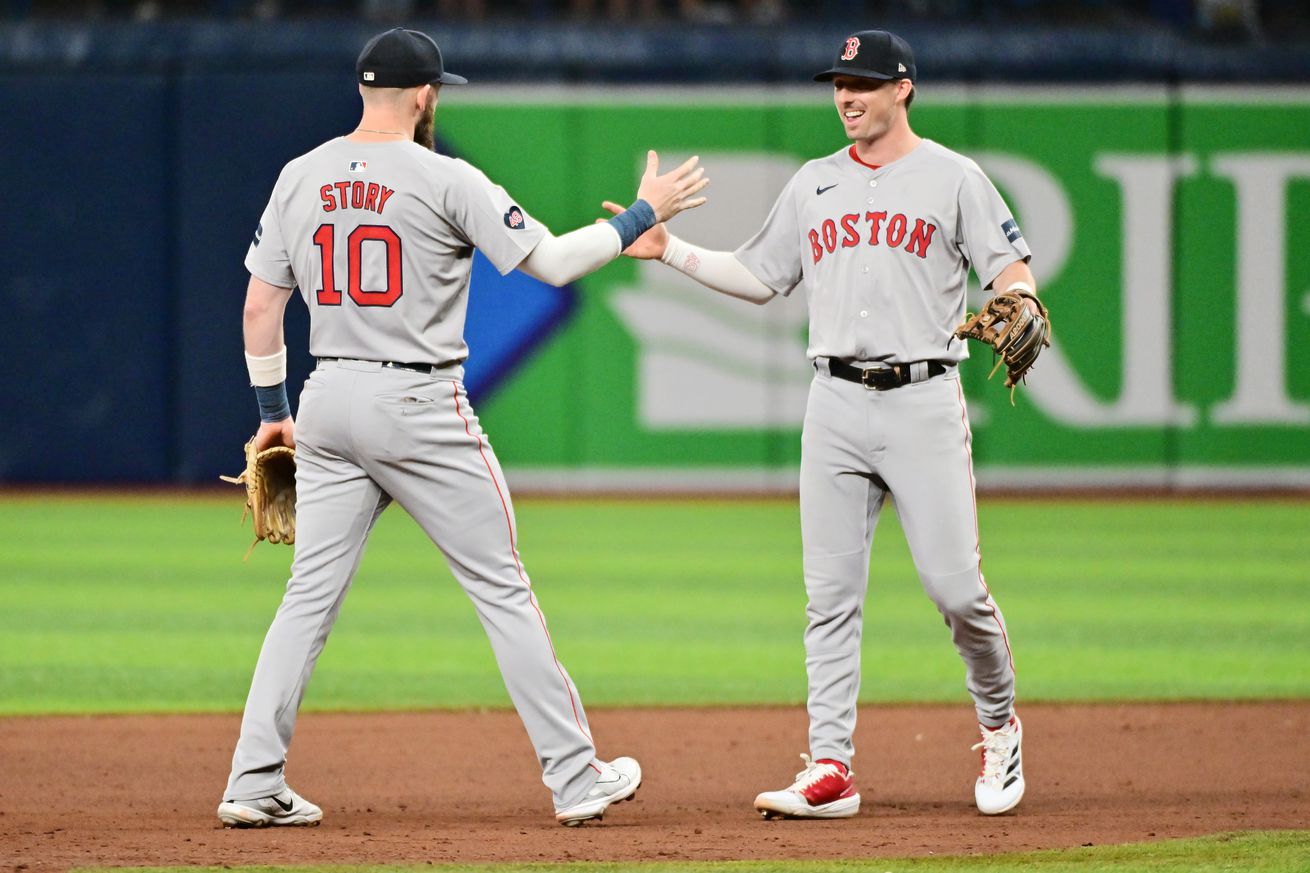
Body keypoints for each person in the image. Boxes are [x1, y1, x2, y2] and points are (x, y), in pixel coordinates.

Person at [216, 26, 708, 829]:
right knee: (502, 590)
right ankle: (576, 776)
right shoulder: (446, 177)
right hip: (419, 404)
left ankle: (252, 778)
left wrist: (274, 417)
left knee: (306, 600)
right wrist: (642, 216)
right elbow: (552, 262)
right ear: (425, 94)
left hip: (328, 396)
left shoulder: (298, 175)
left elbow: (258, 306)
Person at [604, 29, 1030, 818]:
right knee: (828, 596)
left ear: (903, 88)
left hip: (923, 398)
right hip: (833, 398)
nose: (846, 95)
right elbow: (761, 277)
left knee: (956, 589)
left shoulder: (954, 179)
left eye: (863, 82)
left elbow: (1011, 268)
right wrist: (669, 252)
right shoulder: (813, 184)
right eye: (839, 81)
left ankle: (1000, 723)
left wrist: (1024, 298)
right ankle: (831, 763)